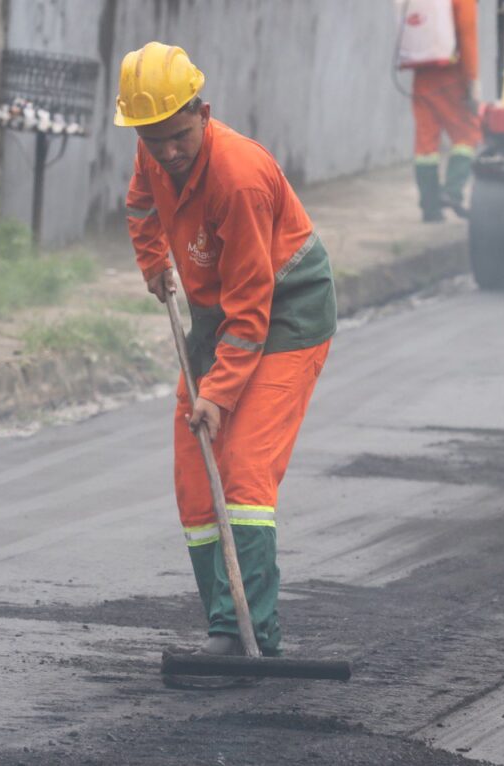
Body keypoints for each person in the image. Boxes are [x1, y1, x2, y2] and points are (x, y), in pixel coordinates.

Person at [114, 43, 337, 666]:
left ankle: (253, 634)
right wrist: (154, 261)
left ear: (203, 111)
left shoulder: (238, 178)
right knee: (194, 470)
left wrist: (218, 394)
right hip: (220, 313)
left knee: (240, 469)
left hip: (288, 312)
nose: (167, 152)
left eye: (178, 136)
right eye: (152, 139)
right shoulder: (153, 146)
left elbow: (252, 311)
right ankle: (225, 625)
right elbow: (138, 204)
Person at [397, 0, 480, 221]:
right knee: (467, 135)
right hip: (451, 77)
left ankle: (430, 208)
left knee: (426, 144)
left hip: (422, 77)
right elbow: (468, 38)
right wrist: (472, 80)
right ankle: (452, 192)